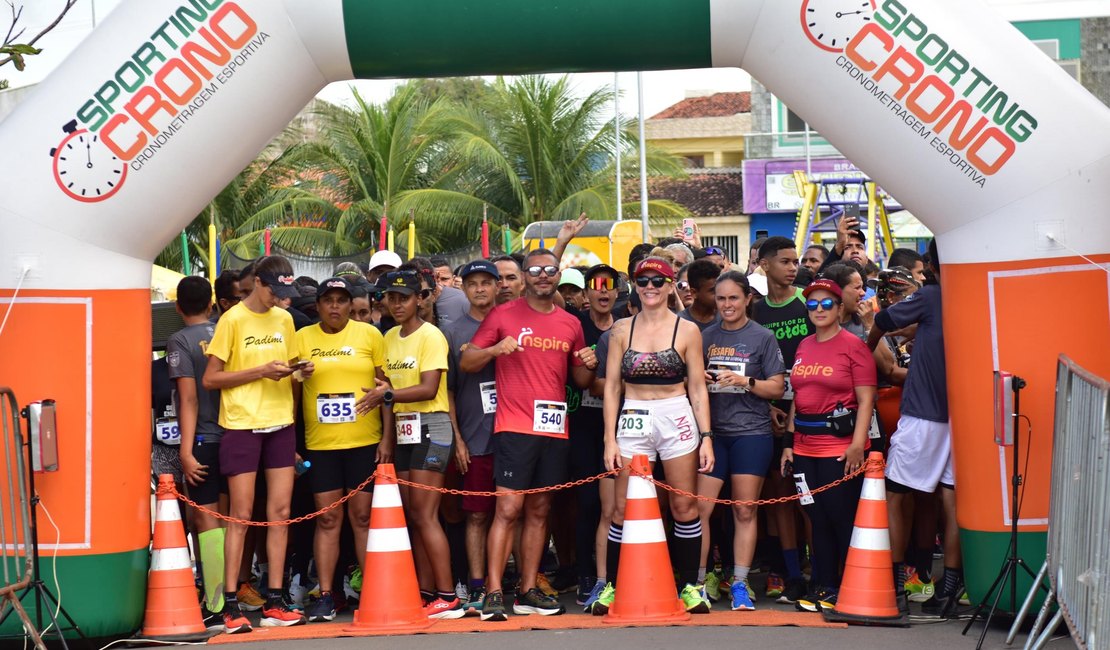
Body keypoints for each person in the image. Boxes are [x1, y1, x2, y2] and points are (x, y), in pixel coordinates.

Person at [461, 249, 598, 621]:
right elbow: (466, 361)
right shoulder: (503, 314)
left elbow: (581, 381)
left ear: (558, 275)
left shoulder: (570, 323)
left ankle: (527, 589)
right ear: (523, 276)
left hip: (554, 427)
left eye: (549, 270)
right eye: (535, 270)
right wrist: (493, 349)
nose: (543, 276)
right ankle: (492, 591)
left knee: (540, 510)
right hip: (514, 426)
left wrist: (589, 364)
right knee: (508, 509)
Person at [597, 257, 715, 615]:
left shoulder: (688, 330)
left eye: (657, 281)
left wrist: (706, 436)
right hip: (633, 414)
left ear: (670, 286)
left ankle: (690, 587)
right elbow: (612, 387)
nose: (650, 287)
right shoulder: (621, 329)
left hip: (675, 414)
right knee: (621, 508)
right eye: (643, 281)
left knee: (684, 505)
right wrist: (609, 439)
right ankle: (613, 587)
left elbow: (697, 386)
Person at [203, 254, 311, 632]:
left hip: (280, 423)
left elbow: (292, 367)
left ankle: (276, 601)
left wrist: (300, 371)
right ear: (259, 284)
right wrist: (259, 372)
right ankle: (229, 604)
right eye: (275, 291)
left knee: (280, 513)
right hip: (241, 424)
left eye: (286, 292)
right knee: (241, 515)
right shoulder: (231, 321)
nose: (281, 299)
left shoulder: (285, 320)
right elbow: (211, 379)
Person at [868, 240, 962, 617]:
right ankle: (951, 591)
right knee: (951, 501)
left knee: (896, 495)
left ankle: (895, 589)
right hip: (964, 416)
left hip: (923, 415)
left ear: (930, 266)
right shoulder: (971, 294)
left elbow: (882, 320)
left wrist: (865, 347)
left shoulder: (932, 295)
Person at [365, 268, 464, 619]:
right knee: (413, 515)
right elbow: (387, 395)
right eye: (390, 298)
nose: (396, 304)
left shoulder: (431, 336)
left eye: (404, 298)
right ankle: (424, 591)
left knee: (426, 514)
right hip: (404, 430)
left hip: (433, 427)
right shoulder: (388, 336)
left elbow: (428, 388)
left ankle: (448, 594)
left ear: (419, 300)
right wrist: (386, 439)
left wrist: (387, 394)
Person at [293, 277, 388, 622]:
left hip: (364, 442)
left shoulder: (370, 335)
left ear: (351, 304)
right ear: (317, 306)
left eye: (341, 300)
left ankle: (373, 591)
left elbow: (385, 389)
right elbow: (291, 392)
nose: (335, 306)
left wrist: (387, 439)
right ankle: (327, 594)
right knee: (328, 519)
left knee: (362, 518)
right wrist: (293, 443)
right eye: (328, 300)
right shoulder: (301, 338)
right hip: (321, 445)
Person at [780, 277, 877, 613]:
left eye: (826, 304)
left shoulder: (854, 345)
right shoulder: (804, 345)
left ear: (839, 308)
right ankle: (824, 585)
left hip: (839, 448)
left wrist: (856, 445)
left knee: (839, 516)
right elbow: (798, 398)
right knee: (815, 517)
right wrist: (789, 443)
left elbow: (866, 400)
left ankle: (846, 586)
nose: (818, 310)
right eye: (812, 304)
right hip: (805, 448)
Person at [697, 271, 786, 611]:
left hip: (752, 433)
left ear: (748, 298)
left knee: (745, 510)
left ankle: (740, 582)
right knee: (701, 509)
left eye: (733, 298)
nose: (727, 305)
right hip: (713, 435)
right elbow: (690, 383)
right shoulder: (704, 336)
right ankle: (700, 580)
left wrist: (745, 380)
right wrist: (702, 378)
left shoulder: (762, 337)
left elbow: (777, 387)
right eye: (721, 298)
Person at [752, 236, 813, 603]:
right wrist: (767, 408)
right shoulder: (756, 312)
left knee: (808, 496)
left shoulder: (809, 300)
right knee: (780, 495)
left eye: (796, 262)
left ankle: (816, 569)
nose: (793, 268)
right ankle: (790, 573)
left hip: (807, 412)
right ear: (765, 265)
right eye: (786, 261)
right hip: (768, 412)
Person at [167, 277, 227, 629]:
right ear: (211, 304)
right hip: (234, 433)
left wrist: (186, 451)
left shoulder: (178, 340)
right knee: (233, 519)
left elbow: (187, 398)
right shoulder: (224, 331)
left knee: (207, 522)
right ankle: (229, 595)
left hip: (203, 439)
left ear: (177, 307)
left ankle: (216, 602)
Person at [443, 260, 501, 615]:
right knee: (477, 516)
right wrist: (458, 440)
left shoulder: (513, 322)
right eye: (473, 283)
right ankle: (477, 586)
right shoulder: (451, 331)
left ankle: (508, 584)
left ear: (497, 287)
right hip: (474, 439)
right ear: (463, 288)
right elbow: (447, 392)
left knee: (513, 514)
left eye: (486, 282)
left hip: (513, 436)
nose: (480, 289)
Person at [569, 263, 619, 608]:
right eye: (595, 286)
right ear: (585, 293)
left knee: (616, 505)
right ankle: (586, 573)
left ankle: (615, 573)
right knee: (587, 503)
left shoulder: (628, 327)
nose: (602, 292)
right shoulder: (577, 326)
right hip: (584, 422)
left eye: (608, 286)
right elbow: (582, 382)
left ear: (617, 292)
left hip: (621, 423)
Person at [678, 259, 721, 332]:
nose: (719, 295)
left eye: (719, 289)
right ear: (694, 293)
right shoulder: (679, 324)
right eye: (712, 290)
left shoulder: (726, 319)